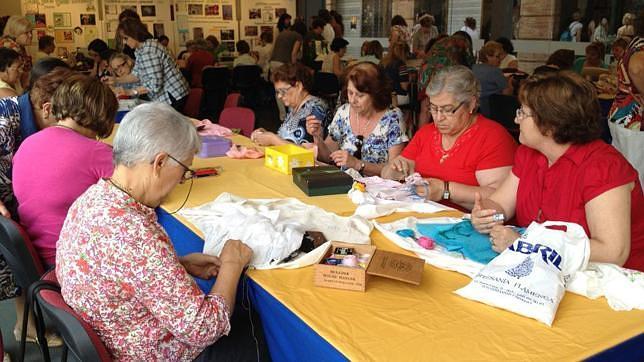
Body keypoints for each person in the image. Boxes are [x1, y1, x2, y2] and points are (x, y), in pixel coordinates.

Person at [56, 102, 255, 360]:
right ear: (160, 162)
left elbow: (118, 270)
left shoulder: (93, 198)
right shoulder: (134, 233)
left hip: (114, 332)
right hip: (145, 351)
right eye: (183, 170)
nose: (181, 180)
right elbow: (204, 328)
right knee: (251, 328)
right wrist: (232, 264)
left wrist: (177, 265)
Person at [471, 72, 643, 271]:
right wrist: (487, 215)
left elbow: (612, 252)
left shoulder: (603, 167)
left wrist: (529, 247)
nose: (516, 120)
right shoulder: (529, 154)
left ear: (550, 125)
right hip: (548, 273)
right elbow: (500, 204)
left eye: (522, 113)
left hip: (609, 284)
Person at [0, 64, 72, 349]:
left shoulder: (30, 122)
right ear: (47, 108)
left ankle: (25, 325)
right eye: (67, 119)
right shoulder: (5, 118)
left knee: (17, 253)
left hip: (9, 202)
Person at [13, 74, 116, 267]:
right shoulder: (96, 152)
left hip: (37, 258)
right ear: (104, 115)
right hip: (73, 262)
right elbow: (141, 191)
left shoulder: (27, 144)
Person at [383, 65, 516, 210]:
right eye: (433, 108)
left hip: (470, 224)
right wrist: (393, 170)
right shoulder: (426, 133)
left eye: (447, 110)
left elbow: (499, 198)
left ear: (471, 104)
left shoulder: (492, 137)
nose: (439, 117)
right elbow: (389, 172)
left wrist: (445, 190)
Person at [306, 62, 408, 176]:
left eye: (360, 95)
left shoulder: (392, 118)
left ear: (376, 94)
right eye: (350, 93)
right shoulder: (343, 112)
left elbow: (394, 171)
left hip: (376, 190)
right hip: (343, 185)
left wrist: (357, 164)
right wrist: (317, 138)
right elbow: (328, 157)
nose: (353, 100)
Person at [108, 18, 189, 110]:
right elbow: (136, 75)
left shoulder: (148, 51)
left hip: (172, 95)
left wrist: (129, 92)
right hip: (171, 94)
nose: (124, 42)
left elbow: (155, 86)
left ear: (134, 34)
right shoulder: (142, 49)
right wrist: (116, 80)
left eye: (125, 38)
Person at [251, 63, 330, 146]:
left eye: (283, 91)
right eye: (277, 92)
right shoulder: (294, 107)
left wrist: (272, 139)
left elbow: (307, 151)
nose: (279, 96)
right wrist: (266, 135)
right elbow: (286, 139)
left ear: (299, 86)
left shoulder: (316, 108)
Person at [418, 36, 472, 126]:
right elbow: (468, 64)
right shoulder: (462, 43)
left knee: (425, 109)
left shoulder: (440, 44)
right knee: (447, 108)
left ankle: (421, 136)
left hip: (426, 74)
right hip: (444, 76)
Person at [1, 16, 33, 90]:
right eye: (26, 33)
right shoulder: (11, 48)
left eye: (31, 32)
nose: (30, 35)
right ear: (15, 33)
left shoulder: (18, 45)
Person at [382, 41, 410, 106]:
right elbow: (404, 87)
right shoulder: (401, 65)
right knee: (410, 101)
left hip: (383, 96)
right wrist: (409, 79)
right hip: (397, 96)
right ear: (404, 53)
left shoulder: (382, 63)